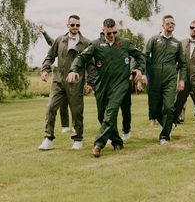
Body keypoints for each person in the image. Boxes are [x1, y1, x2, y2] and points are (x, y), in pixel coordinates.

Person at [69, 18, 146, 157]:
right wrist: (74, 69)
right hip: (102, 85)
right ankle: (117, 141)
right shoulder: (96, 45)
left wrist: (139, 70)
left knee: (111, 111)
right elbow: (81, 58)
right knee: (102, 116)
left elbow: (140, 56)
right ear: (103, 30)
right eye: (109, 33)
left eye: (114, 32)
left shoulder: (125, 43)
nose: (112, 35)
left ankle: (99, 144)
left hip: (121, 84)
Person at [37, 15, 93, 151]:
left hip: (76, 81)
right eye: (72, 25)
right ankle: (48, 139)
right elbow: (50, 56)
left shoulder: (86, 43)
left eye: (77, 25)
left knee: (76, 111)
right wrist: (45, 70)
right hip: (58, 80)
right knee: (50, 107)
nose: (75, 27)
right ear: (67, 25)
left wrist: (90, 82)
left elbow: (90, 65)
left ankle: (78, 138)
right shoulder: (59, 40)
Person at [144, 15, 188, 145]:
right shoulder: (154, 40)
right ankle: (168, 125)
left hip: (170, 78)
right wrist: (144, 73)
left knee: (168, 107)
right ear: (162, 25)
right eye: (168, 23)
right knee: (154, 109)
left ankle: (164, 137)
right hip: (155, 78)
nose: (170, 25)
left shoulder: (177, 43)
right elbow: (145, 57)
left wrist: (181, 80)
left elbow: (183, 64)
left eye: (173, 23)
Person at [37, 25, 71, 134]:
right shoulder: (59, 44)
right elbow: (51, 42)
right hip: (61, 78)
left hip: (74, 77)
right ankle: (65, 125)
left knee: (75, 104)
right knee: (63, 103)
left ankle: (75, 125)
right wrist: (44, 32)